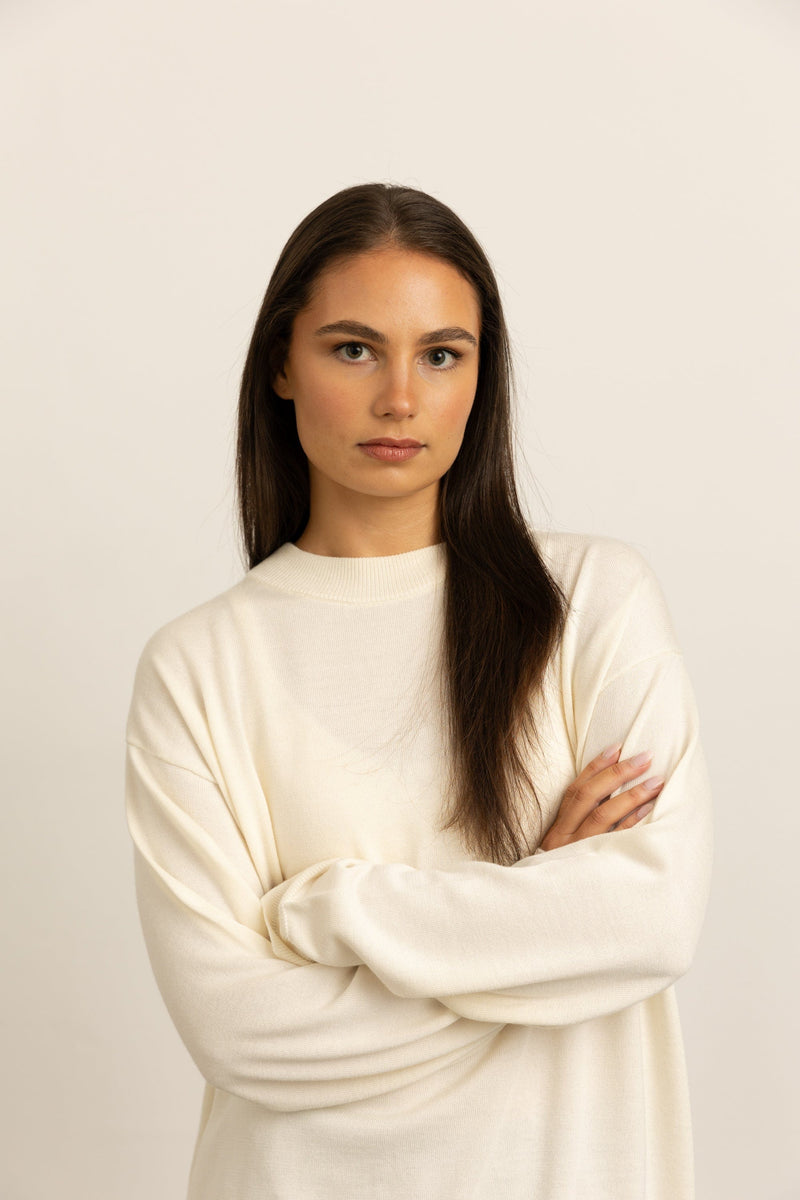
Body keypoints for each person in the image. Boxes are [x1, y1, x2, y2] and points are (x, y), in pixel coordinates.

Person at [124, 182, 713, 1200]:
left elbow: (651, 919)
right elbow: (238, 1031)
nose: (400, 397)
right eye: (354, 349)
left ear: (481, 376)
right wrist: (545, 917)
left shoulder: (588, 602)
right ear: (281, 364)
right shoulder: (198, 665)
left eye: (441, 355)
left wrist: (331, 911)